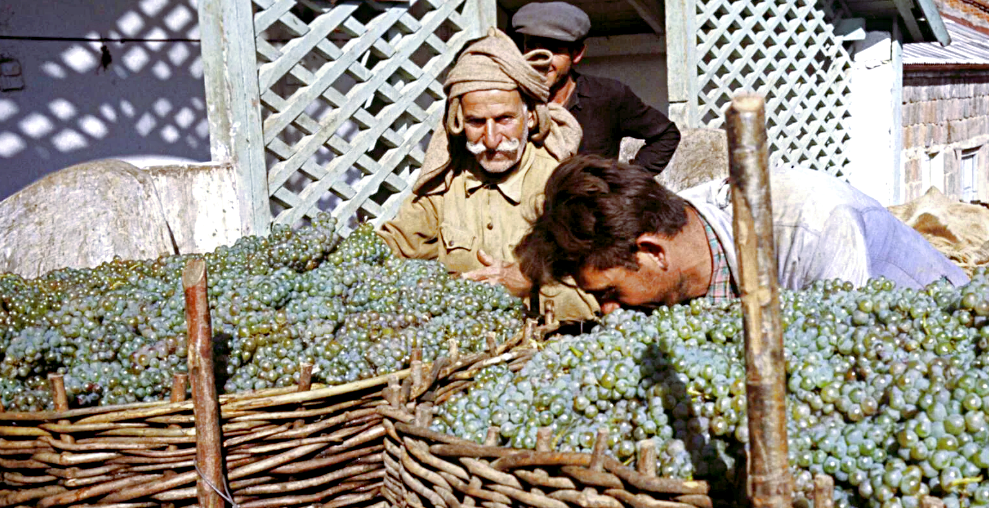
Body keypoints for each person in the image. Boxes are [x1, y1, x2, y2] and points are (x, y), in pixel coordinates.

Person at [516, 154, 969, 314]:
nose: (610, 311)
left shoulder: (813, 228)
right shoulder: (680, 223)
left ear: (653, 251)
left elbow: (844, 369)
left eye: (611, 291)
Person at [377, 28, 598, 322]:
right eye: (476, 122)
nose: (491, 139)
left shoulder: (563, 189)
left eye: (505, 119)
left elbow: (599, 296)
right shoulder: (445, 187)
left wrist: (529, 285)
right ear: (458, 122)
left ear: (530, 116)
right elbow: (390, 246)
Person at [512, 1, 680, 174]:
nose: (540, 60)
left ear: (576, 54)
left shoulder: (607, 96)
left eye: (554, 50)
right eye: (531, 46)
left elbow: (666, 135)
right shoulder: (510, 97)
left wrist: (628, 182)